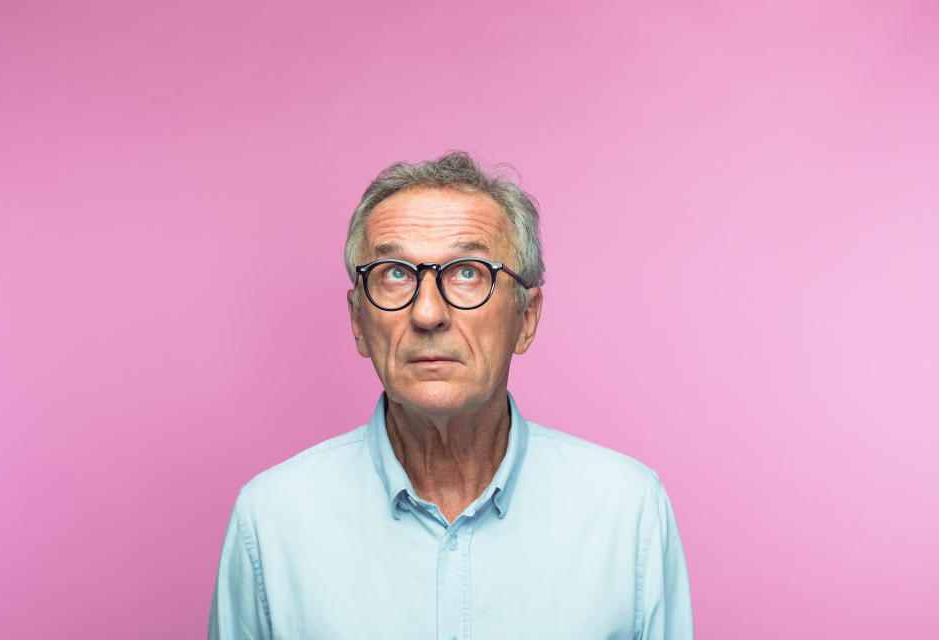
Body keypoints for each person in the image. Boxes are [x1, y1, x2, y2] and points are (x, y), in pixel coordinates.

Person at [208, 151, 694, 639]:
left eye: (468, 272)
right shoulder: (271, 519)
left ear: (526, 318)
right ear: (358, 322)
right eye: (395, 273)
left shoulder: (627, 511)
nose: (427, 314)